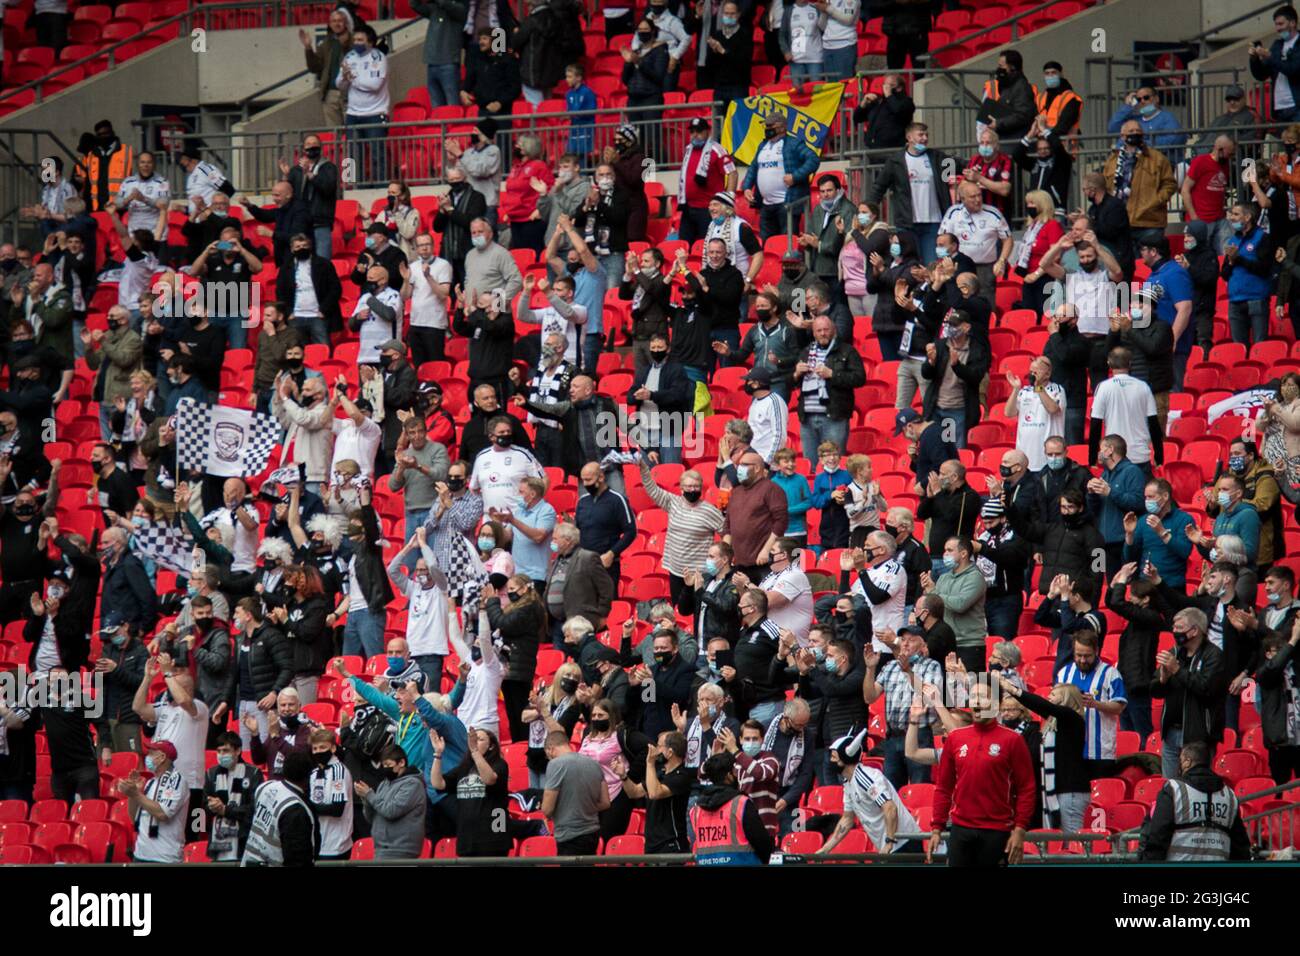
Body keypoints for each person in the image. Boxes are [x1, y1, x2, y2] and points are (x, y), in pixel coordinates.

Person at [927, 681, 1036, 867]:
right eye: (973, 696)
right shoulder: (955, 738)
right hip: (960, 830)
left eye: (983, 697)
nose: (976, 702)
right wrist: (936, 828)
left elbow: (1027, 789)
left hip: (997, 831)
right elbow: (943, 787)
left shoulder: (1013, 740)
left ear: (997, 704)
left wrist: (1019, 830)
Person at [1138, 740, 1251, 861]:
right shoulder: (1229, 796)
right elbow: (1240, 848)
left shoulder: (1174, 789)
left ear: (1188, 761)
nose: (1179, 765)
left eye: (1181, 760)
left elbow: (1158, 837)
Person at [819, 727, 923, 855]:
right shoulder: (848, 783)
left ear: (845, 759)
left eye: (834, 757)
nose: (830, 761)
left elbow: (890, 808)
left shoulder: (866, 777)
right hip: (892, 846)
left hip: (905, 843)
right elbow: (847, 819)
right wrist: (825, 849)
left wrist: (890, 841)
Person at [1152, 607, 1227, 780]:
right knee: (1170, 787)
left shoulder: (1213, 655)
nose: (1174, 631)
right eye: (1174, 627)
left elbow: (1206, 688)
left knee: (1195, 786)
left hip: (1198, 736)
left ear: (1194, 630)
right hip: (1171, 732)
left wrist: (1177, 670)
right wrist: (1162, 680)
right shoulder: (1174, 652)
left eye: (1179, 628)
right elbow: (1154, 690)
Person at [862, 630, 943, 788]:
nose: (905, 644)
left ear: (923, 645)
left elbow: (928, 696)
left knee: (918, 788)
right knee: (890, 792)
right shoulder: (891, 666)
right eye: (903, 639)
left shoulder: (931, 666)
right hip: (893, 737)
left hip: (919, 735)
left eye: (911, 640)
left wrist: (907, 671)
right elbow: (869, 697)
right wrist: (870, 669)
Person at [866, 122, 950, 257]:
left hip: (934, 222)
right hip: (906, 223)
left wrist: (973, 167)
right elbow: (879, 187)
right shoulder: (895, 161)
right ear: (909, 137)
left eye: (926, 135)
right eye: (921, 134)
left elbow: (953, 167)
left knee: (931, 263)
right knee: (910, 266)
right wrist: (867, 209)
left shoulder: (936, 157)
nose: (925, 138)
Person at [429, 725, 511, 857]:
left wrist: (475, 752)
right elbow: (438, 784)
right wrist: (438, 754)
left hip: (493, 839)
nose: (474, 742)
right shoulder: (464, 768)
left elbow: (489, 779)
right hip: (467, 839)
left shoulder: (499, 764)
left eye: (479, 739)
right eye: (473, 739)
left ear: (491, 746)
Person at [741, 110, 818, 240]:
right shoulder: (762, 145)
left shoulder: (794, 143)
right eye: (766, 126)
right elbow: (753, 167)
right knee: (767, 245)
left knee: (786, 244)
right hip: (766, 205)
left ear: (782, 127)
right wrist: (747, 187)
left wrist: (795, 176)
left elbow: (813, 159)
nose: (767, 129)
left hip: (787, 204)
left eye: (771, 126)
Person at [1102, 122, 1178, 252]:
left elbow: (1170, 184)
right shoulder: (1112, 161)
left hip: (1150, 221)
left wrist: (1156, 200)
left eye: (1138, 130)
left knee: (1152, 263)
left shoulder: (1158, 159)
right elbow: (1106, 187)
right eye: (1131, 131)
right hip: (1122, 223)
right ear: (1122, 136)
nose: (1135, 133)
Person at [689, 752, 776, 864]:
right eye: (735, 772)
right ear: (729, 776)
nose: (737, 775)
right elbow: (763, 844)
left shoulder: (696, 810)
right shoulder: (741, 803)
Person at [920, 307, 988, 449]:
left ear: (967, 327)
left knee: (953, 453)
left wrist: (957, 365)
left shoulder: (976, 349)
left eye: (955, 325)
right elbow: (926, 374)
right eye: (950, 324)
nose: (951, 328)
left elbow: (975, 377)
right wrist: (931, 363)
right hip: (936, 408)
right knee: (937, 450)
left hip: (956, 410)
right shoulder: (940, 344)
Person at [1089, 348, 1163, 478]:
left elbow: (1095, 424)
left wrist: (1092, 458)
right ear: (1130, 363)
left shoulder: (1103, 387)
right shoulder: (1143, 387)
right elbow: (1154, 423)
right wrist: (1159, 456)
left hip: (1114, 455)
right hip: (1139, 454)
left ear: (1109, 363)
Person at [541, 729, 610, 855]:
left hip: (569, 835)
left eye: (547, 755)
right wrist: (582, 807)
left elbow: (547, 809)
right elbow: (605, 802)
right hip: (592, 833)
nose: (548, 758)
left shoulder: (555, 764)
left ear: (550, 748)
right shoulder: (594, 764)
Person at [118, 740, 187, 864]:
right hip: (141, 854)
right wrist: (132, 794)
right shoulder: (150, 783)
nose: (147, 757)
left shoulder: (177, 780)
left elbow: (163, 814)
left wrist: (136, 794)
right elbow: (134, 817)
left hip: (165, 857)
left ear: (162, 757)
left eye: (151, 753)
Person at [938, 181, 1013, 296]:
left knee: (986, 302)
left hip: (986, 267)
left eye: (979, 195)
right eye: (973, 197)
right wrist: (944, 259)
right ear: (962, 199)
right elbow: (942, 238)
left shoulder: (993, 213)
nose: (978, 200)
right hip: (960, 265)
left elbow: (1008, 239)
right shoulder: (953, 213)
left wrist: (1002, 260)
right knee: (961, 300)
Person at [928, 536, 988, 672]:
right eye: (944, 550)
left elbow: (960, 604)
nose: (945, 554)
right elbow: (935, 606)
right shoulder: (944, 577)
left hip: (969, 645)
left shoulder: (975, 577)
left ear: (963, 554)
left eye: (949, 550)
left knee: (971, 690)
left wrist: (933, 592)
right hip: (946, 644)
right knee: (947, 691)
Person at [204, 731, 265, 862]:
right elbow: (202, 808)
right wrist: (211, 806)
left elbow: (255, 810)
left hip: (244, 842)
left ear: (238, 751)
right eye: (218, 751)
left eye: (225, 751)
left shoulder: (253, 773)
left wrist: (226, 810)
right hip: (218, 843)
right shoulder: (211, 774)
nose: (221, 755)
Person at [1222, 201, 1275, 348]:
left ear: (1248, 217)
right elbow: (1224, 274)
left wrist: (1239, 258)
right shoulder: (1233, 241)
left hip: (1256, 300)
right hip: (1235, 301)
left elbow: (1264, 269)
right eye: (1232, 214)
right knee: (1238, 349)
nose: (1232, 217)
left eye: (1236, 214)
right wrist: (1232, 262)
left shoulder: (1262, 238)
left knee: (1260, 347)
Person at [916, 460, 981, 577]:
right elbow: (921, 515)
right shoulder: (942, 495)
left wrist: (937, 493)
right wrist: (929, 498)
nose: (939, 478)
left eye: (942, 474)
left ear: (954, 477)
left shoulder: (970, 496)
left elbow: (951, 514)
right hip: (934, 556)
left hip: (955, 559)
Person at [1256, 621, 1300, 783]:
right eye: (1280, 650)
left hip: (1299, 738)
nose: (1286, 653)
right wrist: (1293, 640)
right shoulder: (1265, 673)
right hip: (1280, 740)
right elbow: (1274, 667)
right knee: (1280, 787)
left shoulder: (1296, 668)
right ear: (1268, 654)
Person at [1249, 5, 1300, 125]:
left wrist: (1270, 57)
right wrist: (1254, 59)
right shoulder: (1277, 45)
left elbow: (1293, 69)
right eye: (1276, 24)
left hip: (1297, 106)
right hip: (1279, 108)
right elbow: (1261, 75)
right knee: (1284, 143)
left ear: (1292, 23)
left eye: (1281, 24)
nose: (1277, 28)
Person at [978, 49, 1037, 142]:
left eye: (1001, 66)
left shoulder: (1022, 87)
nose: (999, 69)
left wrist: (998, 123)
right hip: (1006, 136)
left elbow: (1022, 115)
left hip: (1016, 139)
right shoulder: (1007, 85)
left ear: (1012, 67)